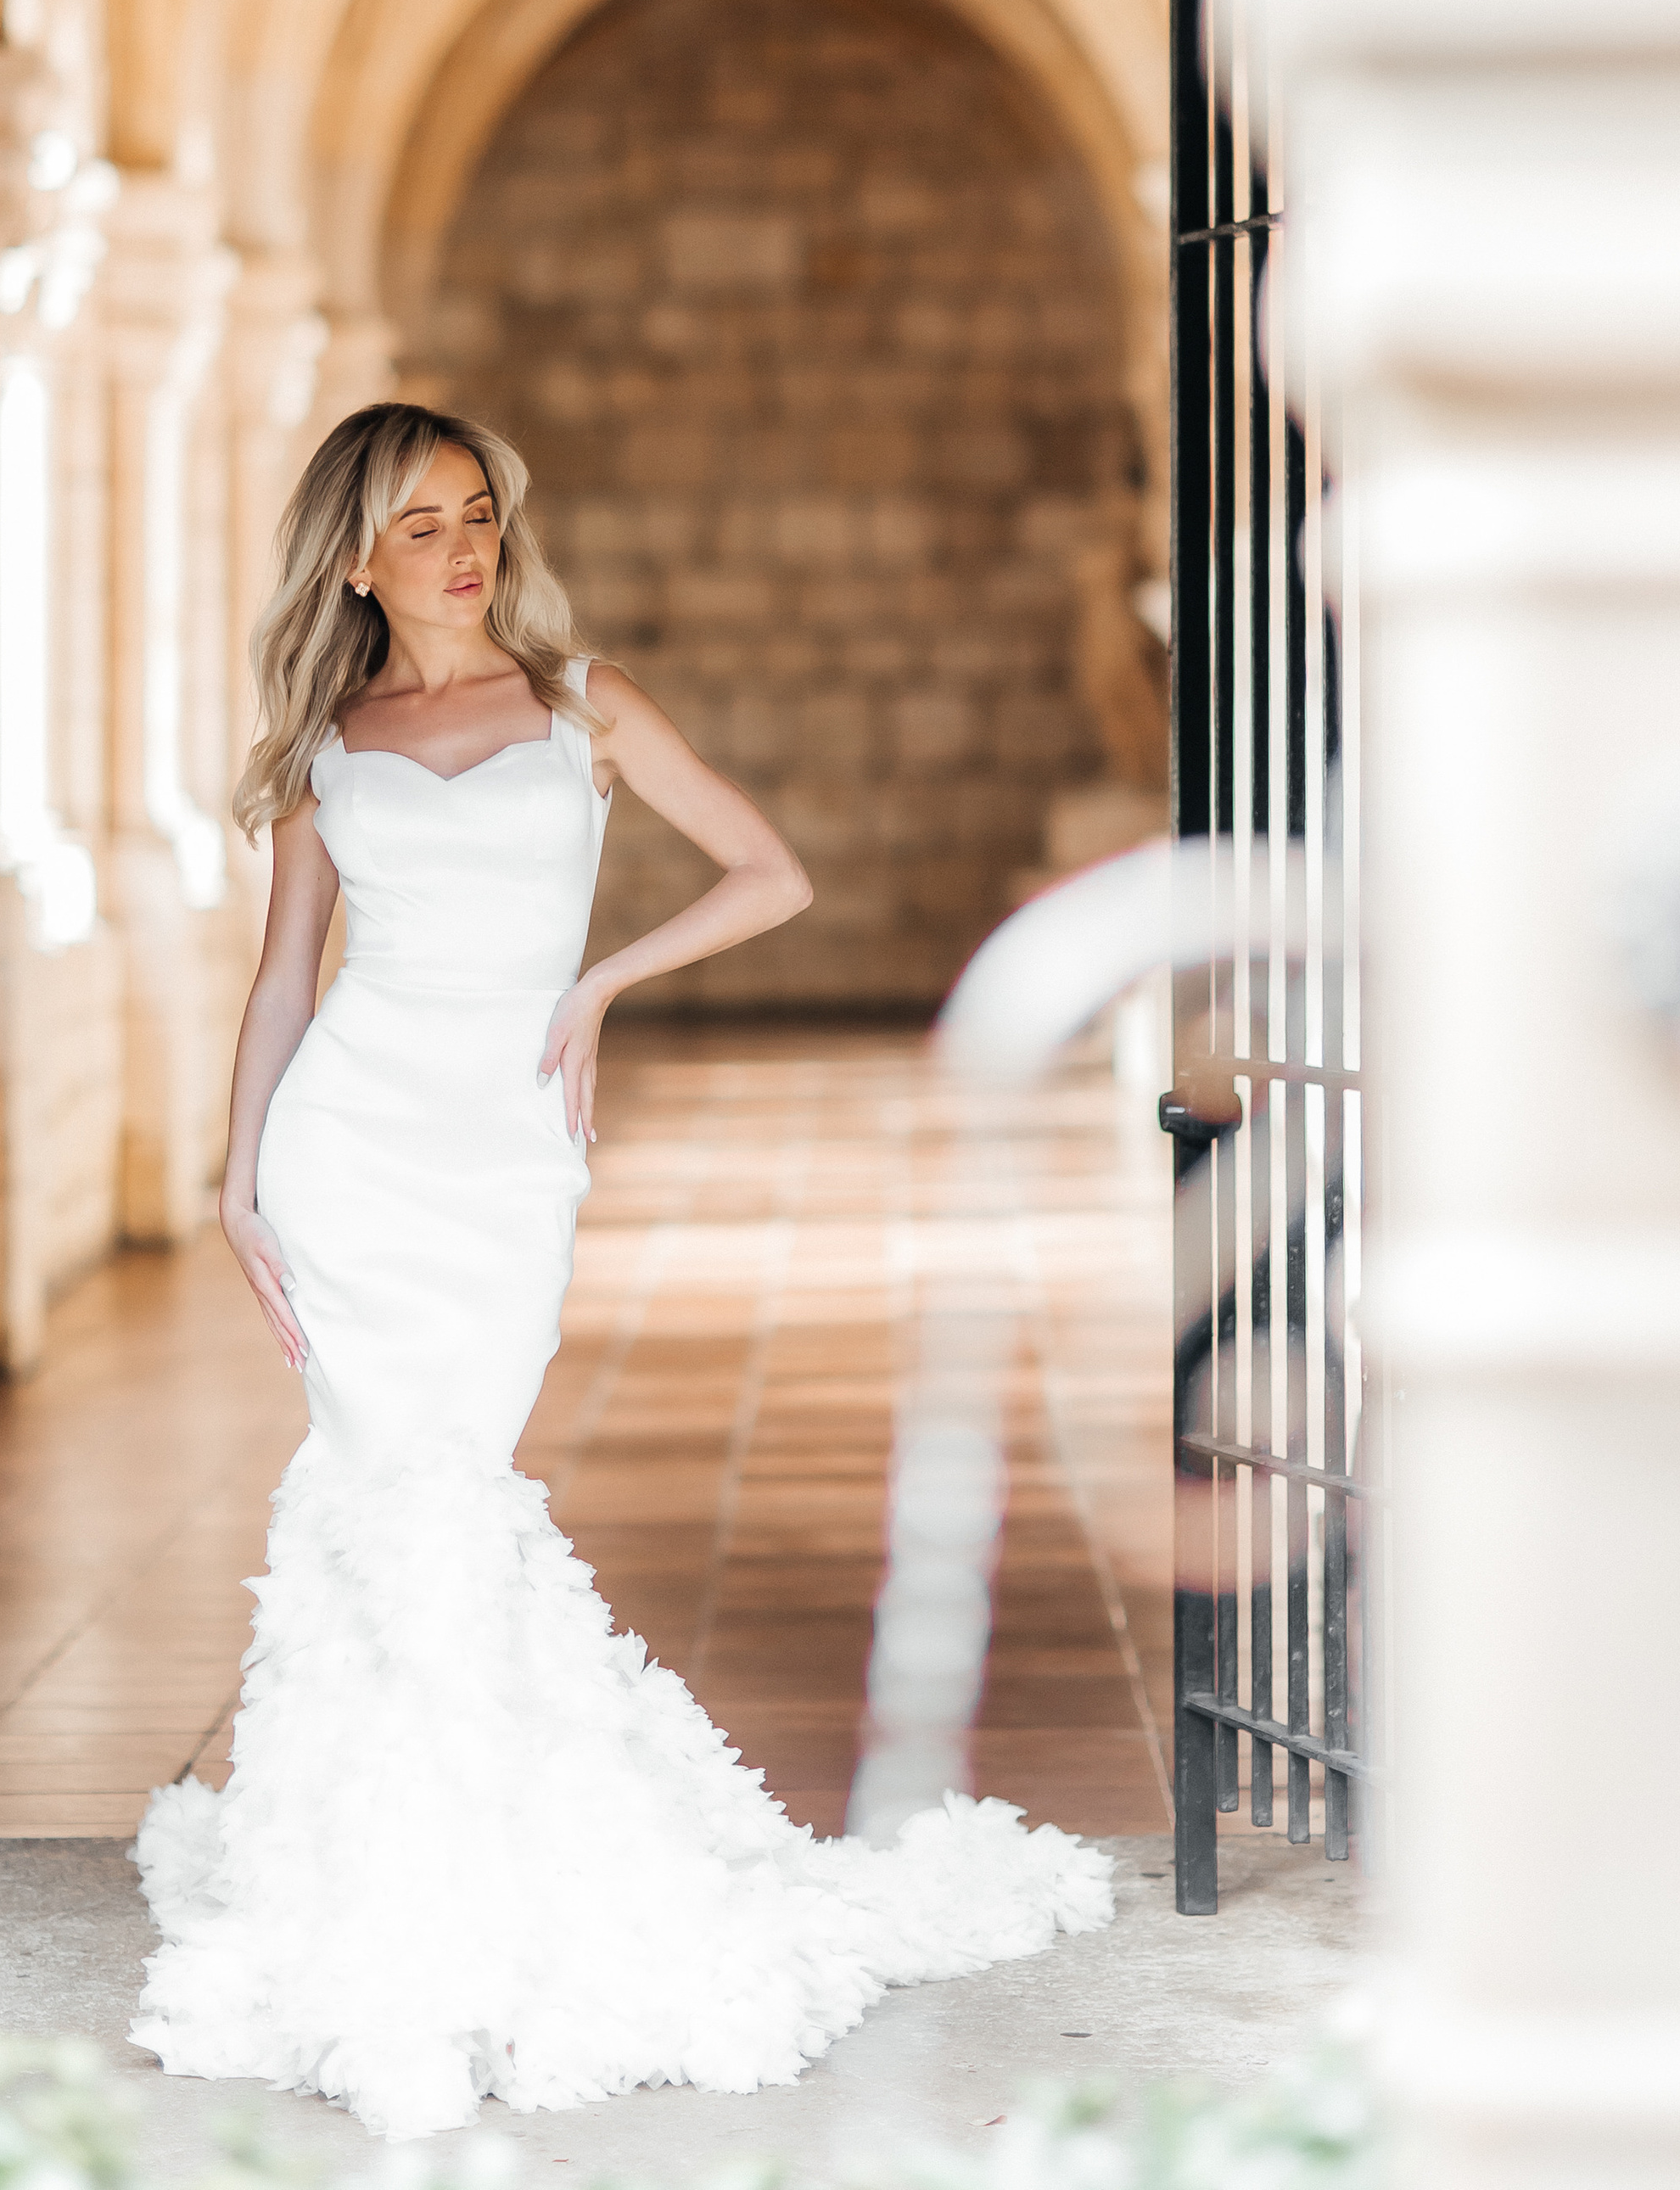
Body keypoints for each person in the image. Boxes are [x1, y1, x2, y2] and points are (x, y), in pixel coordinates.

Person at [132, 400, 1111, 2140]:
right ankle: (384, 1894)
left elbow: (769, 876)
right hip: (348, 1150)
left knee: (455, 1486)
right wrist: (236, 1172)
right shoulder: (322, 742)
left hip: (504, 1157)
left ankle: (469, 1877)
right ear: (354, 558)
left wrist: (594, 988)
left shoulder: (586, 703)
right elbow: (286, 981)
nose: (461, 545)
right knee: (379, 1490)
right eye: (419, 524)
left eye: (474, 512)